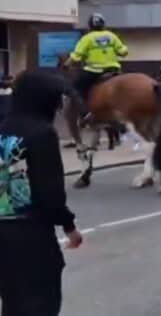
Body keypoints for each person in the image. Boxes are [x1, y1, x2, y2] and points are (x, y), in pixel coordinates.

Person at [0, 70, 83, 315]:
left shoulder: (3, 129)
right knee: (40, 304)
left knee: (13, 303)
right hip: (30, 236)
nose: (58, 107)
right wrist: (69, 225)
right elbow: (51, 193)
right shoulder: (42, 133)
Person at [65, 13, 128, 124]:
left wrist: (66, 64)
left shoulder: (87, 38)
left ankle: (85, 113)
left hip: (94, 71)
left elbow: (76, 56)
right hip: (113, 70)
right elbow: (123, 52)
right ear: (103, 25)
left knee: (75, 89)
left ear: (89, 26)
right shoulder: (111, 36)